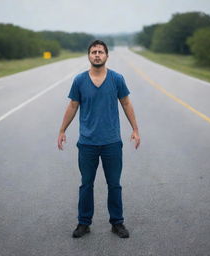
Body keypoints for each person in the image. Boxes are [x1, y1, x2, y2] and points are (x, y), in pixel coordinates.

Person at [58, 40, 140, 238]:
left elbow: (126, 103)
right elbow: (72, 106)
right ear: (89, 56)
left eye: (100, 52)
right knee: (86, 184)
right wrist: (62, 130)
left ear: (106, 56)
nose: (97, 55)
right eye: (93, 52)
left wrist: (135, 129)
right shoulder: (79, 80)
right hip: (87, 143)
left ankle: (117, 223)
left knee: (114, 184)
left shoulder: (116, 79)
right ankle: (83, 223)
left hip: (112, 142)